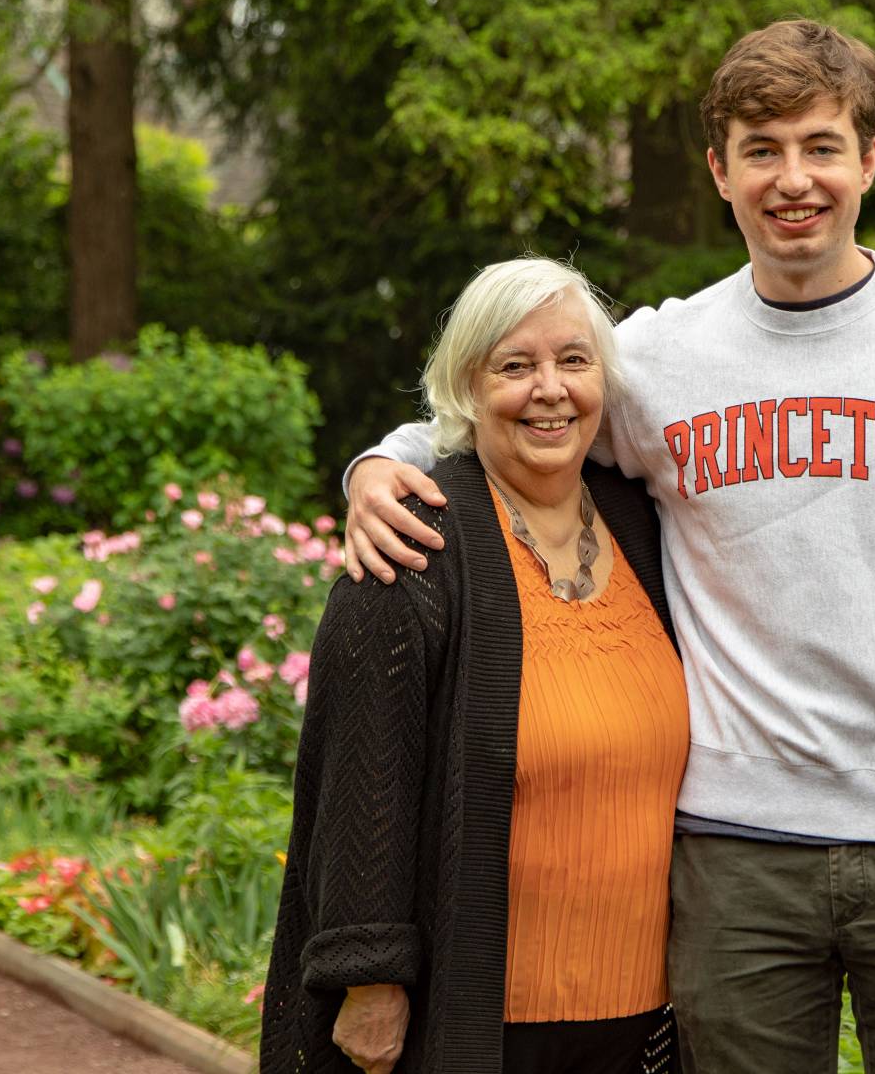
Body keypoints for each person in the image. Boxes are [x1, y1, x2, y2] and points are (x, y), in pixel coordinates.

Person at [342, 19, 875, 1074]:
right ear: (720, 172)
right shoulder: (658, 357)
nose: (795, 180)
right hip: (736, 849)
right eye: (761, 150)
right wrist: (380, 462)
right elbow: (520, 404)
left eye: (822, 147)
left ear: (870, 159)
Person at [262, 257, 689, 1074]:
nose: (550, 390)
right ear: (464, 387)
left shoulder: (645, 525)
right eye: (514, 366)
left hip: (642, 1017)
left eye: (573, 361)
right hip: (476, 1020)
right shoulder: (413, 544)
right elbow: (362, 775)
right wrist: (369, 977)